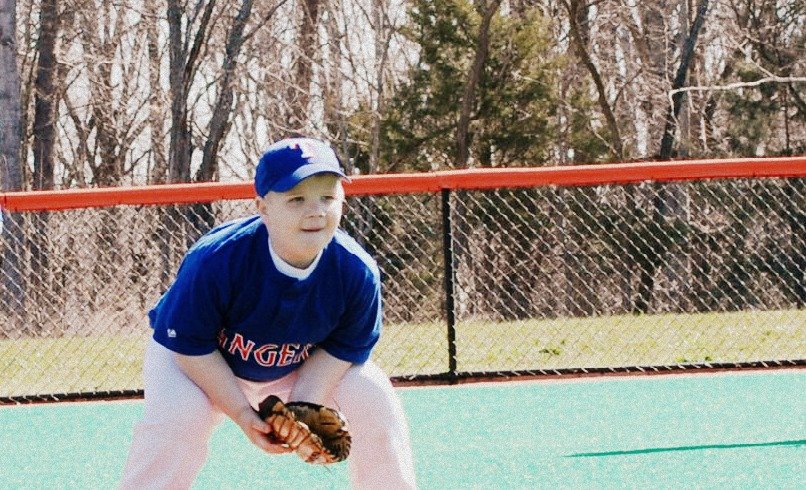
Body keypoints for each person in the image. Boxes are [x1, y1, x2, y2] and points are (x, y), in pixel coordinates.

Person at [119, 137, 417, 489]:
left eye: (327, 196)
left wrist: (303, 408)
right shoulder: (217, 259)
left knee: (373, 395)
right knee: (180, 419)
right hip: (194, 361)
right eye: (296, 199)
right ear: (262, 207)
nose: (316, 210)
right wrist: (244, 414)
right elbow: (190, 346)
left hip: (292, 369)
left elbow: (340, 351)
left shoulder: (356, 272)